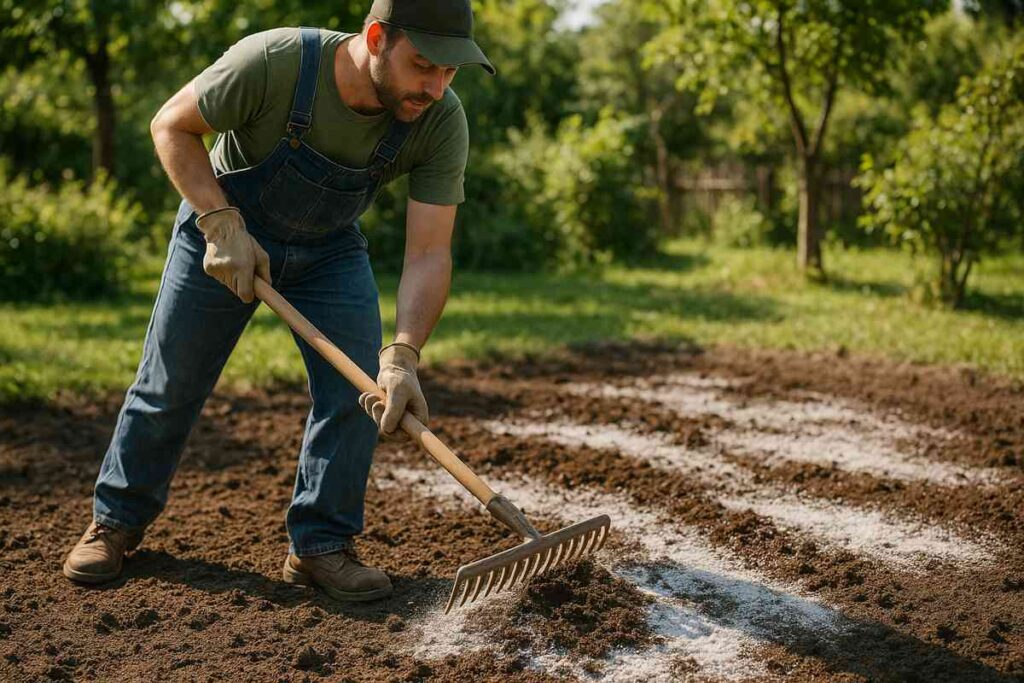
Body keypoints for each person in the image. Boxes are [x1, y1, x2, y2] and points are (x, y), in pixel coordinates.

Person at [61, 0, 493, 603]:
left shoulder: (439, 118)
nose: (435, 86)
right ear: (375, 37)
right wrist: (220, 222)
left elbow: (428, 253)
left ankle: (320, 546)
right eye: (423, 65)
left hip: (329, 249)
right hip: (224, 231)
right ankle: (115, 521)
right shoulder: (276, 61)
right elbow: (171, 125)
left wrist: (403, 352)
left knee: (358, 391)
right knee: (170, 383)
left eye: (451, 72)